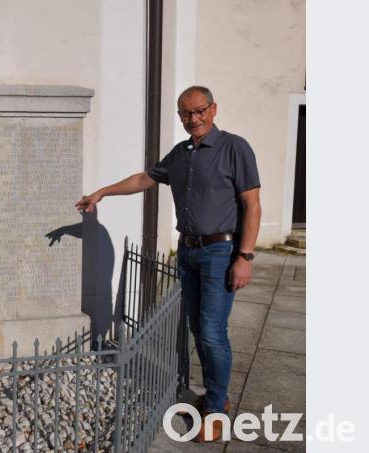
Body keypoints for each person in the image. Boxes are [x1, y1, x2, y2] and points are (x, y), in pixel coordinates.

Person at [75, 86, 261, 442]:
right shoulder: (180, 153)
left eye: (200, 110)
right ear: (180, 117)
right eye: (187, 113)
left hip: (220, 252)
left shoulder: (234, 148)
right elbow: (144, 179)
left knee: (212, 332)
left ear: (213, 109)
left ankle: (216, 410)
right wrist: (102, 192)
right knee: (198, 330)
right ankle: (215, 395)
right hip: (188, 252)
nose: (194, 118)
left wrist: (245, 257)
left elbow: (252, 204)